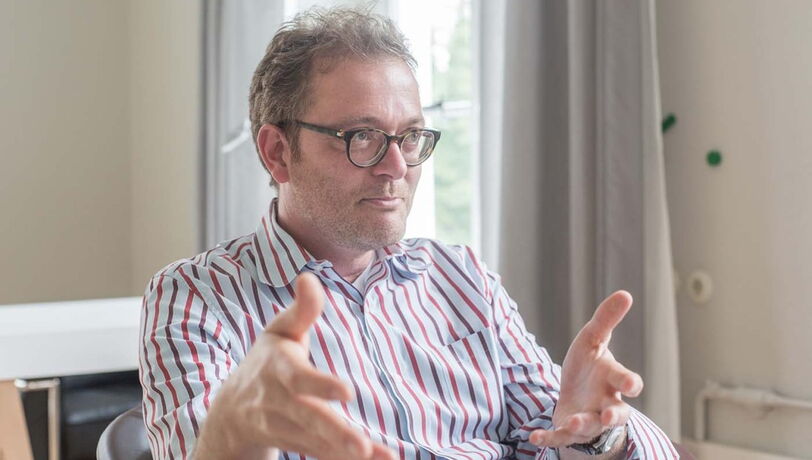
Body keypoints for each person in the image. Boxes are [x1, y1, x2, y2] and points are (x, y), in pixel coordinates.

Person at [139, 7, 678, 460]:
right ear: (278, 152)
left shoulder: (461, 277)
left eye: (411, 136)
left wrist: (599, 434)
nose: (397, 166)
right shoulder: (195, 298)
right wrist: (233, 435)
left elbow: (557, 436)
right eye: (362, 136)